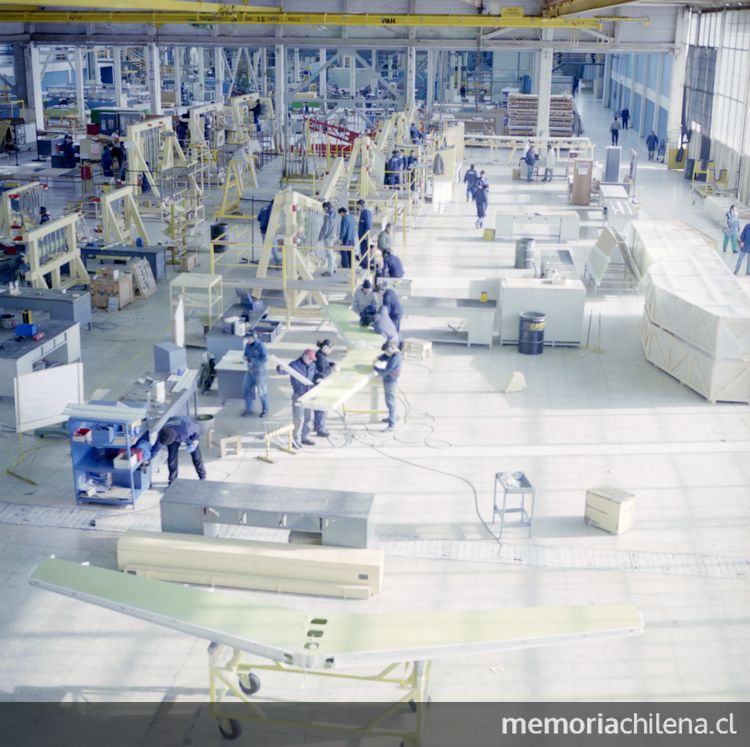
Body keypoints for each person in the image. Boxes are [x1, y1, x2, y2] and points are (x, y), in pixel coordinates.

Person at [151, 416, 206, 487]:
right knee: (172, 457)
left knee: (196, 455)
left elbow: (197, 428)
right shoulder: (162, 434)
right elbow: (155, 448)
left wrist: (196, 439)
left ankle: (202, 476)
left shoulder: (188, 429)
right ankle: (172, 480)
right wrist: (148, 459)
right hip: (172, 430)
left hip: (185, 430)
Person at [286, 349, 317, 448]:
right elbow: (284, 370)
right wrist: (279, 368)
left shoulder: (312, 365)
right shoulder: (294, 365)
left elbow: (316, 374)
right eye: (310, 359)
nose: (311, 361)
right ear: (305, 356)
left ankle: (305, 437)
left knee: (308, 418)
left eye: (312, 359)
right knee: (298, 419)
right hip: (299, 395)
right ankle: (295, 440)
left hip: (309, 395)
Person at [373, 341, 402, 431]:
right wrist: (380, 358)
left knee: (390, 401)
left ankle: (391, 425)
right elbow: (385, 356)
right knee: (390, 400)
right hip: (390, 379)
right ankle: (392, 416)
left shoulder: (395, 359)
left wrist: (375, 367)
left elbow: (385, 372)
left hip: (390, 381)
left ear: (390, 349)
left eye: (386, 351)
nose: (386, 353)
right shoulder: (393, 353)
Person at [242, 329, 269, 417]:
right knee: (246, 390)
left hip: (259, 372)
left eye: (249, 338)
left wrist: (252, 360)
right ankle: (249, 410)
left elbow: (264, 359)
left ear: (254, 337)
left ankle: (265, 410)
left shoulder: (261, 346)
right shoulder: (247, 345)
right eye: (247, 338)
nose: (248, 340)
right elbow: (246, 353)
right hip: (250, 371)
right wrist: (245, 356)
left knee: (262, 392)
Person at [312, 339, 336, 438]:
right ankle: (320, 428)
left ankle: (317, 425)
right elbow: (324, 373)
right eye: (330, 349)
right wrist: (332, 369)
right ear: (325, 348)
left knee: (319, 407)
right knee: (321, 406)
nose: (331, 351)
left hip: (317, 383)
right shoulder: (320, 357)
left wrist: (330, 364)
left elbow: (323, 365)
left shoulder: (320, 355)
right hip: (319, 384)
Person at [316, 201, 337, 277]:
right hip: (333, 235)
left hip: (328, 237)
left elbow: (325, 228)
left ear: (326, 208)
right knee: (331, 253)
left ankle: (330, 271)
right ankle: (334, 268)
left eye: (323, 209)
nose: (323, 210)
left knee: (329, 254)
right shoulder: (334, 215)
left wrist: (320, 238)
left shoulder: (327, 217)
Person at [357, 199, 373, 267]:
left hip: (364, 236)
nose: (358, 208)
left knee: (364, 249)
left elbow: (368, 224)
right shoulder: (363, 212)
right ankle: (364, 263)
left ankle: (366, 264)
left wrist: (366, 234)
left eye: (358, 206)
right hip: (361, 235)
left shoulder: (366, 212)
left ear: (361, 205)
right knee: (363, 249)